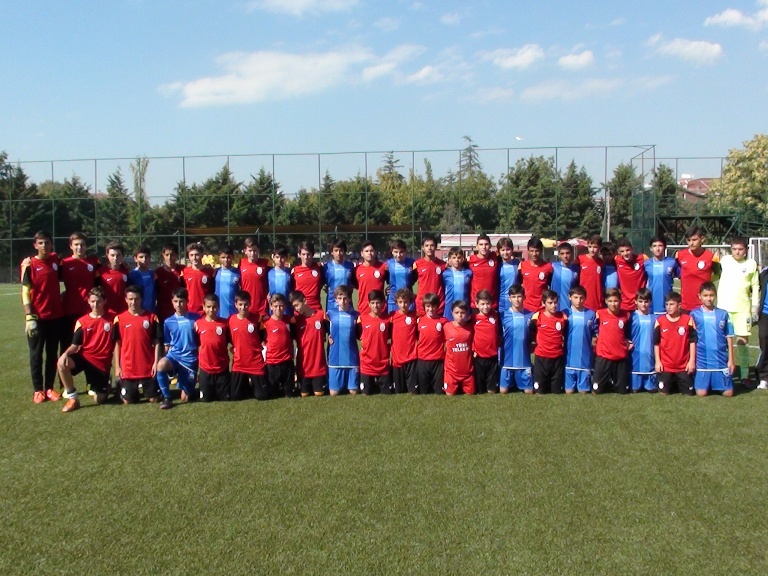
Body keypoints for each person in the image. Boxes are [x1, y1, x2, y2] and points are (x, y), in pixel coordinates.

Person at [21, 230, 64, 403]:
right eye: (40, 243)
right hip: (37, 318)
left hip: (56, 317)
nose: (44, 245)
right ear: (35, 245)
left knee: (52, 354)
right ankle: (38, 390)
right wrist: (29, 316)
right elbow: (25, 291)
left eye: (47, 242)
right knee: (36, 354)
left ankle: (49, 388)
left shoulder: (55, 260)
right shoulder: (30, 264)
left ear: (51, 244)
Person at [57, 287, 115, 412]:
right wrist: (65, 354)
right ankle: (72, 398)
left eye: (99, 301)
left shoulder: (113, 319)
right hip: (85, 358)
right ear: (88, 301)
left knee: (99, 399)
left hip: (101, 363)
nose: (95, 304)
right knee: (61, 363)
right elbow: (75, 345)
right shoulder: (82, 321)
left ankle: (106, 384)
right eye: (92, 301)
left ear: (105, 301)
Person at [716, 236, 759, 386]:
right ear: (731, 249)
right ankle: (723, 371)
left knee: (742, 342)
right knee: (722, 342)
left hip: (743, 309)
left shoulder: (751, 264)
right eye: (734, 249)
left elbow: (755, 286)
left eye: (740, 249)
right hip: (724, 308)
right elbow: (712, 273)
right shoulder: (724, 261)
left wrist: (755, 307)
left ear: (746, 250)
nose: (737, 252)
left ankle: (744, 375)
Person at [113, 285, 162, 404]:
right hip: (128, 368)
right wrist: (117, 367)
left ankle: (146, 387)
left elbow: (156, 342)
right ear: (126, 299)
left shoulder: (152, 317)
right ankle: (122, 386)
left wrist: (155, 363)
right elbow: (117, 344)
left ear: (141, 299)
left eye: (136, 299)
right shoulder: (119, 319)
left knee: (154, 399)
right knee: (128, 401)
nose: (133, 302)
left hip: (147, 368)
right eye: (130, 299)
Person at [156, 288, 200, 408]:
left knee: (185, 398)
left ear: (187, 302)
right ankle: (167, 398)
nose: (178, 305)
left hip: (190, 360)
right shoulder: (168, 322)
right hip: (174, 356)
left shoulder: (196, 319)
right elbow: (167, 344)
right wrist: (163, 358)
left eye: (181, 301)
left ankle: (188, 386)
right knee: (161, 365)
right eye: (176, 301)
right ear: (172, 302)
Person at [690, 282, 735, 397]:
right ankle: (707, 383)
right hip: (702, 361)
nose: (709, 298)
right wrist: (692, 360)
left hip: (720, 361)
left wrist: (731, 360)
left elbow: (729, 337)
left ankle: (716, 382)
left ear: (715, 295)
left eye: (711, 295)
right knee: (701, 393)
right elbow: (691, 339)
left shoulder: (723, 314)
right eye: (705, 295)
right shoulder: (694, 314)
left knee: (728, 393)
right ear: (699, 296)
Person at [654, 291, 697, 396]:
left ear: (679, 305)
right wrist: (658, 362)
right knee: (663, 393)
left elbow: (693, 342)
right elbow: (656, 343)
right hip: (666, 366)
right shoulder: (660, 321)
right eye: (667, 304)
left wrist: (691, 361)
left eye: (672, 304)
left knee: (688, 393)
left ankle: (677, 381)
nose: (668, 307)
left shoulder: (688, 320)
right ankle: (671, 381)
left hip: (683, 366)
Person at [228, 291, 269, 400]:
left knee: (262, 396)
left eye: (246, 304)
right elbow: (228, 338)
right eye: (240, 304)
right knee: (235, 396)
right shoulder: (231, 320)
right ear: (235, 304)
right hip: (239, 363)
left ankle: (254, 383)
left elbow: (264, 336)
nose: (243, 307)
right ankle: (247, 383)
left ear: (250, 304)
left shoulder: (257, 318)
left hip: (255, 362)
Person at [60, 231, 97, 349]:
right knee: (67, 345)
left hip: (88, 310)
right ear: (71, 246)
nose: (79, 247)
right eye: (76, 244)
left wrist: (123, 265)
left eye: (82, 244)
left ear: (86, 246)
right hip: (69, 310)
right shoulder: (64, 263)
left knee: (87, 346)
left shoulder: (94, 262)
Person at [592, 288, 632, 394]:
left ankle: (614, 381)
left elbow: (628, 333)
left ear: (620, 301)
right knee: (597, 390)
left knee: (622, 391)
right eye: (610, 301)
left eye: (615, 301)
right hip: (604, 356)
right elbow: (593, 329)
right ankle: (605, 381)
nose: (613, 304)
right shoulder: (599, 314)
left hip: (620, 356)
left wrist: (628, 341)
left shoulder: (626, 315)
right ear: (605, 301)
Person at [291, 290, 328, 397]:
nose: (296, 309)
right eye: (294, 307)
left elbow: (330, 331)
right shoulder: (295, 320)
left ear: (305, 301)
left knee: (319, 393)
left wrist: (330, 336)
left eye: (297, 305)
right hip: (303, 367)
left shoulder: (321, 315)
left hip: (318, 367)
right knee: (304, 394)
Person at [194, 294, 231, 402]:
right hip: (206, 368)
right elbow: (196, 343)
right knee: (206, 399)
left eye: (214, 307)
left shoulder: (225, 324)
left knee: (226, 398)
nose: (211, 310)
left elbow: (231, 341)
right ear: (204, 307)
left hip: (221, 367)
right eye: (208, 307)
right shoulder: (198, 324)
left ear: (218, 307)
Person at [529, 290, 566, 394]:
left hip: (557, 357)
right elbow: (532, 333)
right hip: (542, 356)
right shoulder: (537, 316)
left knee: (557, 391)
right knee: (539, 391)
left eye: (555, 302)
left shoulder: (563, 317)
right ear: (543, 303)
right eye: (550, 303)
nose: (553, 305)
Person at [675, 226, 720, 312]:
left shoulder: (711, 257)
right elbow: (678, 273)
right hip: (685, 306)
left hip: (704, 306)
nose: (691, 243)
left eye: (694, 240)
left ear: (702, 239)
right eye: (688, 240)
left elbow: (717, 274)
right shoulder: (680, 255)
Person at [356, 289, 392, 394]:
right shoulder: (362, 319)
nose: (375, 306)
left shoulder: (388, 320)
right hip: (367, 365)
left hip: (383, 365)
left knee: (387, 393)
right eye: (372, 303)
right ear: (368, 304)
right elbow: (357, 336)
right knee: (366, 393)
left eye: (378, 303)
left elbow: (391, 337)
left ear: (383, 303)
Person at [325, 286, 359, 396]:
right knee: (333, 393)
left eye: (345, 298)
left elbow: (361, 334)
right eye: (339, 298)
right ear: (335, 300)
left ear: (349, 299)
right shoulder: (329, 314)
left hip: (351, 358)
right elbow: (322, 328)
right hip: (335, 358)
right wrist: (328, 336)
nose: (342, 301)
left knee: (353, 391)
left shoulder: (356, 315)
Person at [500, 285, 533, 394]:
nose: (517, 299)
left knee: (528, 392)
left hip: (524, 360)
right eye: (513, 297)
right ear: (509, 298)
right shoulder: (503, 315)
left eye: (519, 296)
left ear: (524, 297)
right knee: (503, 391)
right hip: (507, 360)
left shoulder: (530, 315)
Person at [563, 285, 596, 394]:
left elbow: (595, 333)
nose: (578, 301)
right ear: (569, 297)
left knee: (583, 392)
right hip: (569, 359)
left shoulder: (591, 314)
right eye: (575, 297)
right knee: (569, 392)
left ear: (585, 298)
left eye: (581, 298)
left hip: (584, 360)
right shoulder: (565, 313)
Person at [264, 294, 297, 397]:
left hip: (287, 362)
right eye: (275, 306)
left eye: (281, 306)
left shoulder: (290, 320)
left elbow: (294, 336)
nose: (278, 309)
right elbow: (260, 340)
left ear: (285, 306)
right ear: (271, 307)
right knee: (273, 394)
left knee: (289, 394)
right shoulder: (266, 323)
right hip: (272, 362)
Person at [443, 300, 475, 396]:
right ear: (452, 313)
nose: (460, 315)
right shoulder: (446, 327)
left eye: (462, 312)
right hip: (451, 371)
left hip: (467, 371)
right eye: (457, 312)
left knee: (470, 394)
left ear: (467, 313)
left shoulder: (470, 328)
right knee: (449, 394)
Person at [416, 292, 445, 395]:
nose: (431, 309)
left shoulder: (443, 321)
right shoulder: (419, 321)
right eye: (428, 306)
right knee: (424, 392)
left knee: (439, 392)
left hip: (438, 360)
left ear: (437, 307)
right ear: (424, 307)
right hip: (423, 359)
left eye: (433, 306)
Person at [390, 288, 418, 393]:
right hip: (397, 358)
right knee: (398, 391)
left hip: (411, 358)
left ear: (410, 302)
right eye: (400, 302)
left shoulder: (415, 316)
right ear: (396, 303)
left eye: (406, 302)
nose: (403, 305)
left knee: (413, 391)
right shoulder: (392, 316)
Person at [644, 235, 679, 316]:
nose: (657, 248)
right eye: (654, 246)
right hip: (651, 305)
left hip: (668, 304)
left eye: (660, 245)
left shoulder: (672, 262)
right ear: (650, 248)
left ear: (665, 247)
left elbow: (682, 277)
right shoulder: (646, 264)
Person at [473, 290, 500, 394]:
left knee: (491, 391)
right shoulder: (473, 318)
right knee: (479, 390)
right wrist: (472, 349)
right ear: (477, 304)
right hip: (479, 357)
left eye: (488, 303)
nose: (485, 306)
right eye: (482, 304)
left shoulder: (495, 315)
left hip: (492, 356)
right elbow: (469, 335)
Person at [629, 288, 656, 392]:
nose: (643, 304)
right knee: (635, 389)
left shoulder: (654, 318)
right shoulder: (631, 317)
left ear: (650, 302)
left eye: (646, 301)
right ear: (635, 301)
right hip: (635, 356)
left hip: (650, 356)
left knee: (651, 389)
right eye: (640, 301)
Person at [413, 235, 445, 317]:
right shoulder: (417, 264)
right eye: (426, 246)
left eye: (432, 245)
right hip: (422, 304)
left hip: (437, 304)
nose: (429, 248)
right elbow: (409, 282)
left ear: (436, 247)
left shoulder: (443, 265)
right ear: (422, 248)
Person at [520, 237, 553, 313]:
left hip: (542, 307)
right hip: (526, 307)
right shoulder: (522, 266)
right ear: (528, 251)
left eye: (537, 251)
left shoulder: (548, 267)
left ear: (541, 251)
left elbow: (550, 285)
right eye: (531, 251)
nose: (534, 254)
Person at [239, 237, 270, 317]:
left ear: (259, 250)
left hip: (261, 308)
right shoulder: (241, 263)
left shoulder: (265, 264)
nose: (253, 253)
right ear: (245, 251)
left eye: (255, 250)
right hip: (246, 307)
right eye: (250, 251)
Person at [614, 237, 648, 312]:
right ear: (618, 252)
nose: (625, 253)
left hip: (640, 303)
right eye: (622, 251)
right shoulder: (617, 260)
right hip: (624, 304)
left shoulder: (643, 258)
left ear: (632, 248)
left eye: (628, 250)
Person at [180, 242, 214, 315]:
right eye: (191, 255)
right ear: (188, 256)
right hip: (189, 310)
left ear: (202, 255)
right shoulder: (185, 272)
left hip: (205, 311)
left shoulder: (210, 272)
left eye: (197, 255)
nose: (194, 258)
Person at [154, 243, 185, 323]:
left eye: (172, 254)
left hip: (180, 310)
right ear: (163, 255)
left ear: (177, 255)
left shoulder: (183, 270)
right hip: (164, 311)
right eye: (167, 255)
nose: (169, 257)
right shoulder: (158, 272)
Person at [355, 240, 387, 316]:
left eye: (371, 251)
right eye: (366, 251)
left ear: (375, 252)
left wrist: (389, 289)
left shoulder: (383, 267)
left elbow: (392, 282)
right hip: (363, 309)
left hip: (380, 309)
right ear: (362, 253)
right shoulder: (356, 270)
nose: (369, 253)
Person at [97, 241, 129, 315]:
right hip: (106, 312)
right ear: (107, 255)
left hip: (123, 312)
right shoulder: (100, 272)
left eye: (118, 255)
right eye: (112, 255)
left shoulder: (126, 270)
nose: (115, 258)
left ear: (122, 256)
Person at [468, 233, 499, 311]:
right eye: (481, 244)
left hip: (491, 304)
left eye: (486, 244)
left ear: (490, 246)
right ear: (477, 246)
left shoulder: (495, 257)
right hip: (476, 304)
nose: (484, 247)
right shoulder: (470, 260)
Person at [323, 239, 355, 312]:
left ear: (344, 251)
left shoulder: (350, 266)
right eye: (336, 250)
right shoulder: (326, 267)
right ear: (332, 252)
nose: (338, 253)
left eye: (341, 250)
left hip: (347, 305)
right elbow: (322, 284)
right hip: (331, 306)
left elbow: (354, 283)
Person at [291, 241, 324, 311]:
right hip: (300, 310)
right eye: (303, 254)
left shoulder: (319, 268)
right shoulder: (294, 271)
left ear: (313, 254)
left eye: (308, 254)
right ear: (299, 255)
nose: (306, 257)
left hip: (316, 308)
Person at [385, 239, 416, 314]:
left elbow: (415, 278)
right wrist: (386, 289)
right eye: (396, 252)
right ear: (392, 251)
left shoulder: (412, 263)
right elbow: (385, 279)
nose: (398, 255)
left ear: (405, 252)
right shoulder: (388, 264)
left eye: (401, 252)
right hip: (393, 301)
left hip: (408, 301)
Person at [443, 247, 472, 321]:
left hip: (464, 306)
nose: (456, 260)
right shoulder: (445, 273)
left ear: (462, 259)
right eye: (454, 258)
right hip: (450, 306)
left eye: (459, 257)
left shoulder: (468, 273)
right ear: (450, 259)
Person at [578, 234, 605, 312]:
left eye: (595, 247)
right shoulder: (580, 259)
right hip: (583, 300)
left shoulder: (601, 262)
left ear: (600, 247)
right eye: (590, 247)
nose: (592, 250)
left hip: (597, 301)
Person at [213, 245, 241, 319]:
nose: (226, 260)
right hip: (218, 311)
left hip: (233, 310)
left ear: (232, 257)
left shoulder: (238, 273)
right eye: (223, 257)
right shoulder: (215, 272)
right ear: (219, 258)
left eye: (228, 257)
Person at [551, 242, 579, 312]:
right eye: (562, 253)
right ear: (559, 255)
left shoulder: (577, 269)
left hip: (570, 310)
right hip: (554, 308)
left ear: (572, 253)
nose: (565, 256)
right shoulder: (553, 266)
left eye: (567, 253)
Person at [127, 245, 156, 313]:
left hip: (152, 312)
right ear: (135, 258)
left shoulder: (152, 274)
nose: (144, 259)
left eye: (146, 257)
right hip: (138, 313)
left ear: (150, 258)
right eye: (141, 257)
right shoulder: (131, 275)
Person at [496, 237, 520, 317]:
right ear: (498, 251)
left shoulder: (517, 264)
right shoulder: (496, 266)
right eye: (503, 250)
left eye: (508, 249)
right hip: (501, 302)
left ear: (512, 250)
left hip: (515, 301)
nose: (505, 252)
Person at [268, 246, 293, 315]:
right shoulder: (269, 273)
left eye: (282, 257)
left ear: (286, 258)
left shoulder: (290, 272)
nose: (279, 260)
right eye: (277, 257)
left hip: (287, 310)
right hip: (273, 310)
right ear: (273, 257)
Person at [755, 264, 768, 390]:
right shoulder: (764, 273)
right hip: (765, 314)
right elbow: (754, 287)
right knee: (764, 343)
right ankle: (764, 377)